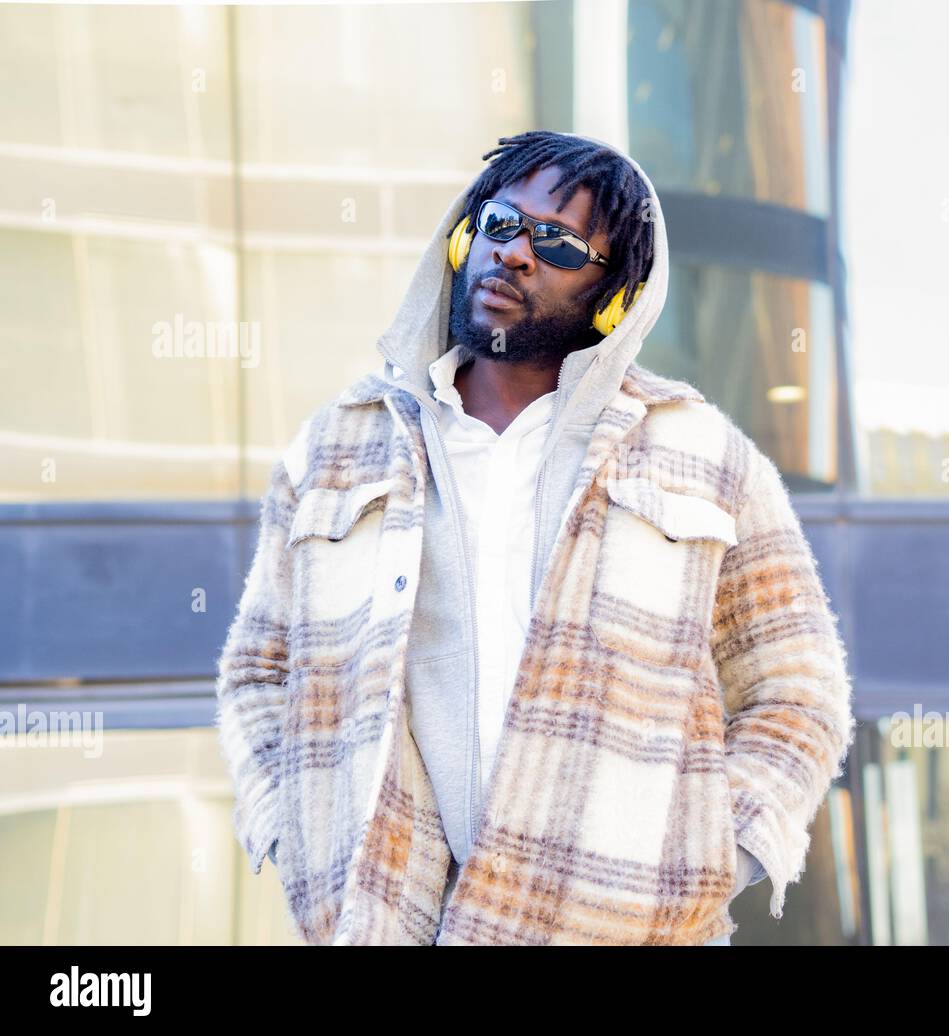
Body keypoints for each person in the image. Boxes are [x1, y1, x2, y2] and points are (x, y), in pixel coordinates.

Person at [215, 130, 854, 946]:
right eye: (501, 225)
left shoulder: (703, 457)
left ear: (615, 293)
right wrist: (293, 830)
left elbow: (798, 696)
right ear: (463, 238)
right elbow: (257, 672)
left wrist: (704, 861)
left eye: (557, 242)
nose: (516, 254)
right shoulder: (336, 449)